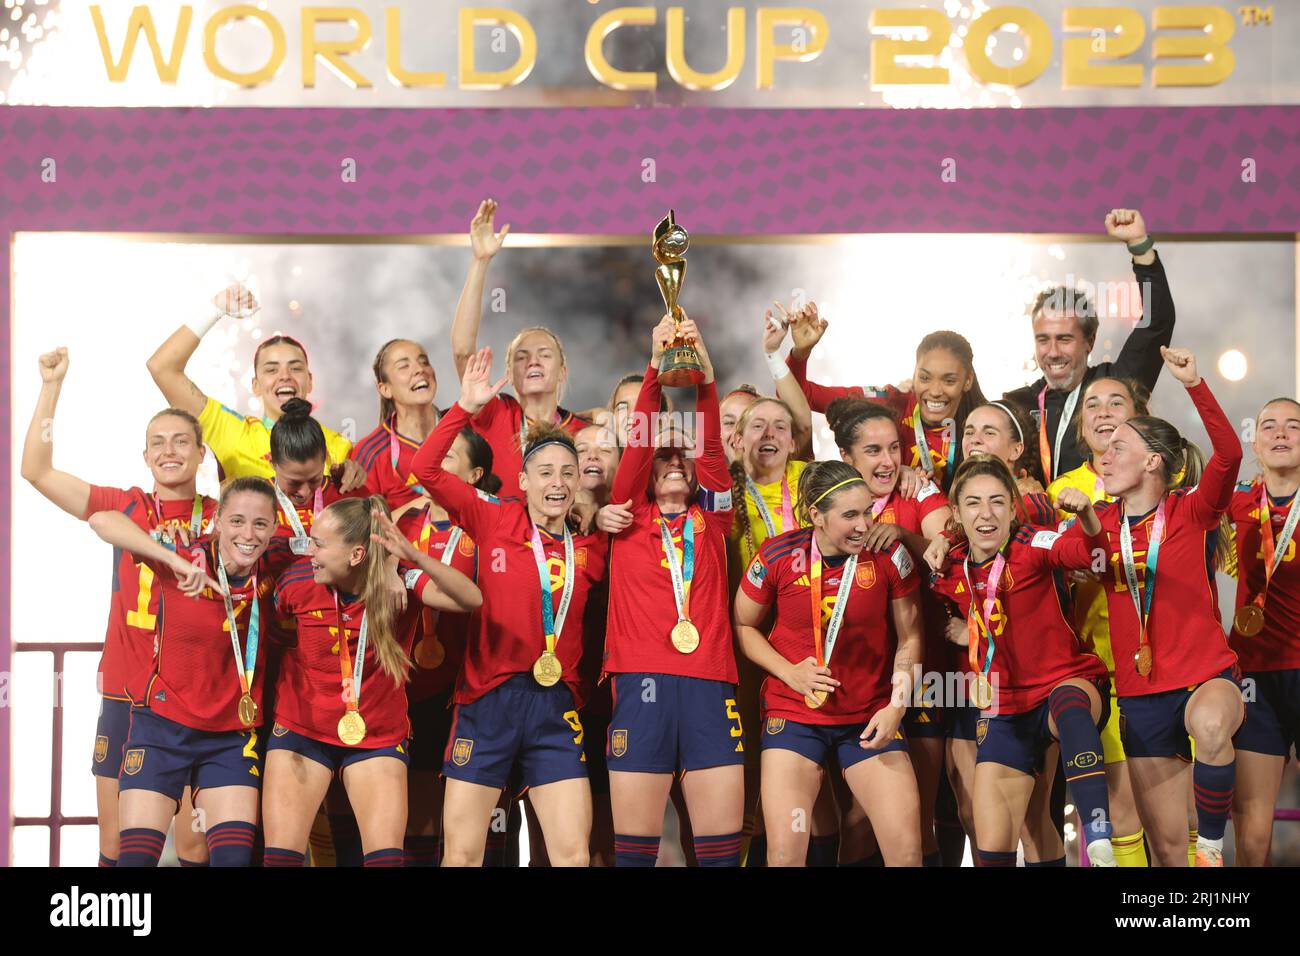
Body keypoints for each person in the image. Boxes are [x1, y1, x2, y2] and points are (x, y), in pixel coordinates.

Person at [410, 346, 608, 867]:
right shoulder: (495, 518)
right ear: (522, 482)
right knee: (464, 853)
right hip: (487, 701)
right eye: (544, 472)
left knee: (571, 854)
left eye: (568, 472)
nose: (558, 483)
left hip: (555, 705)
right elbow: (424, 468)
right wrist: (464, 408)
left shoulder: (588, 548)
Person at [21, 347, 216, 867]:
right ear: (145, 456)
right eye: (157, 443)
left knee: (195, 843)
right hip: (128, 694)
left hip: (199, 698)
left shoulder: (226, 516)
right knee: (115, 844)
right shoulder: (124, 504)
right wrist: (51, 387)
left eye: (181, 442)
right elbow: (36, 472)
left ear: (201, 454)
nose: (169, 451)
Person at [1072, 347, 1243, 866]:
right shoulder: (1098, 520)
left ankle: (1212, 844)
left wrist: (1195, 385)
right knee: (1168, 852)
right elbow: (1070, 554)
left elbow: (1230, 455)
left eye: (1119, 445)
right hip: (1140, 693)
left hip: (1204, 677)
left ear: (1153, 461)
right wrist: (1080, 531)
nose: (1106, 454)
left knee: (1212, 727)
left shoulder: (1192, 510)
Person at [261, 497, 482, 867]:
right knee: (281, 859)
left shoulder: (401, 584)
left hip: (376, 734)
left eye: (319, 544)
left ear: (356, 554)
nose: (308, 551)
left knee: (385, 861)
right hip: (303, 729)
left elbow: (470, 599)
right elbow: (271, 637)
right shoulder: (297, 580)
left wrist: (409, 558)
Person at [598, 315, 743, 867]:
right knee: (635, 854)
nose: (675, 461)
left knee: (720, 853)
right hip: (641, 682)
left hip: (710, 683)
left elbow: (709, 448)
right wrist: (655, 365)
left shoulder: (716, 523)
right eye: (663, 458)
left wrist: (704, 378)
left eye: (682, 457)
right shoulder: (627, 516)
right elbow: (636, 447)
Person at [926, 454, 1117, 867]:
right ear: (957, 513)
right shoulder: (948, 567)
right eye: (974, 503)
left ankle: (1099, 839)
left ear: (1014, 508)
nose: (987, 513)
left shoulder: (1034, 543)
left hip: (1064, 685)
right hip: (1005, 708)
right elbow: (922, 609)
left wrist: (1086, 516)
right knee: (995, 844)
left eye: (998, 501)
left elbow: (1092, 556)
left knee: (1069, 705)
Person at [84, 478, 284, 867]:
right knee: (135, 862)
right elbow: (101, 520)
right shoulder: (183, 554)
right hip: (161, 729)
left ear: (275, 528)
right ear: (218, 522)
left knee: (232, 861)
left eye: (260, 524)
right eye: (237, 521)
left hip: (230, 737)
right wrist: (173, 561)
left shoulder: (278, 564)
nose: (247, 534)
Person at [734, 460, 925, 866]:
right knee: (786, 853)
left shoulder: (888, 553)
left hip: (869, 715)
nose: (864, 525)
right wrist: (789, 672)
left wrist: (898, 706)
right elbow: (743, 625)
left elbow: (910, 637)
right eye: (850, 515)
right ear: (816, 516)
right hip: (795, 717)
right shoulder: (779, 554)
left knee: (907, 852)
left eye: (868, 511)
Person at [825, 397, 952, 866]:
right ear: (848, 459)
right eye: (873, 451)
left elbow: (947, 546)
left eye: (894, 448)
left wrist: (905, 537)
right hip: (851, 679)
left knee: (915, 819)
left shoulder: (917, 492)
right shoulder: (827, 502)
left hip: (918, 672)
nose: (888, 461)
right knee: (855, 820)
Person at [1046, 376, 1152, 867]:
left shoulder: (1165, 480)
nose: (1104, 411)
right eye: (1092, 404)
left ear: (1139, 412)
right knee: (1120, 808)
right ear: (1081, 421)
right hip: (1100, 667)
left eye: (1117, 402)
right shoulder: (1059, 491)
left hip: (1167, 663)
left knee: (1183, 813)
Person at [1002, 209, 1176, 483]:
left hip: (1108, 522)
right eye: (1043, 340)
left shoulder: (1117, 383)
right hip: (1040, 524)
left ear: (1090, 341)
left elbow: (1157, 323)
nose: (1053, 352)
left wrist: (1140, 247)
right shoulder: (1019, 404)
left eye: (1065, 339)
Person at [146, 282, 356, 482]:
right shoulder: (233, 432)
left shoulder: (340, 446)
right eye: (271, 369)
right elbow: (162, 368)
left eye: (295, 368)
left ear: (310, 382)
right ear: (255, 386)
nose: (285, 376)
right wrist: (216, 309)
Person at [449, 199, 589, 487]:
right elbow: (463, 350)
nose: (533, 361)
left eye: (544, 354)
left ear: (563, 371)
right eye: (521, 356)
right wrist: (480, 261)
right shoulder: (496, 415)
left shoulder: (583, 433)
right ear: (510, 374)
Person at [785, 311, 986, 492]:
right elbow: (801, 395)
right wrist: (800, 354)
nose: (934, 391)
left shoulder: (985, 426)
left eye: (949, 380)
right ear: (914, 374)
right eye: (924, 378)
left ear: (967, 381)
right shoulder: (890, 402)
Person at [1227, 397, 1300, 866]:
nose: (1279, 433)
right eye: (1269, 426)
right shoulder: (1235, 502)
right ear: (1254, 443)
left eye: (1293, 426)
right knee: (1252, 831)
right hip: (1253, 674)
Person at [349, 338, 441, 515]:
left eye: (424, 362)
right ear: (385, 389)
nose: (420, 370)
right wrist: (432, 502)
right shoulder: (370, 452)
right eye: (404, 366)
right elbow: (362, 527)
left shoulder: (460, 431)